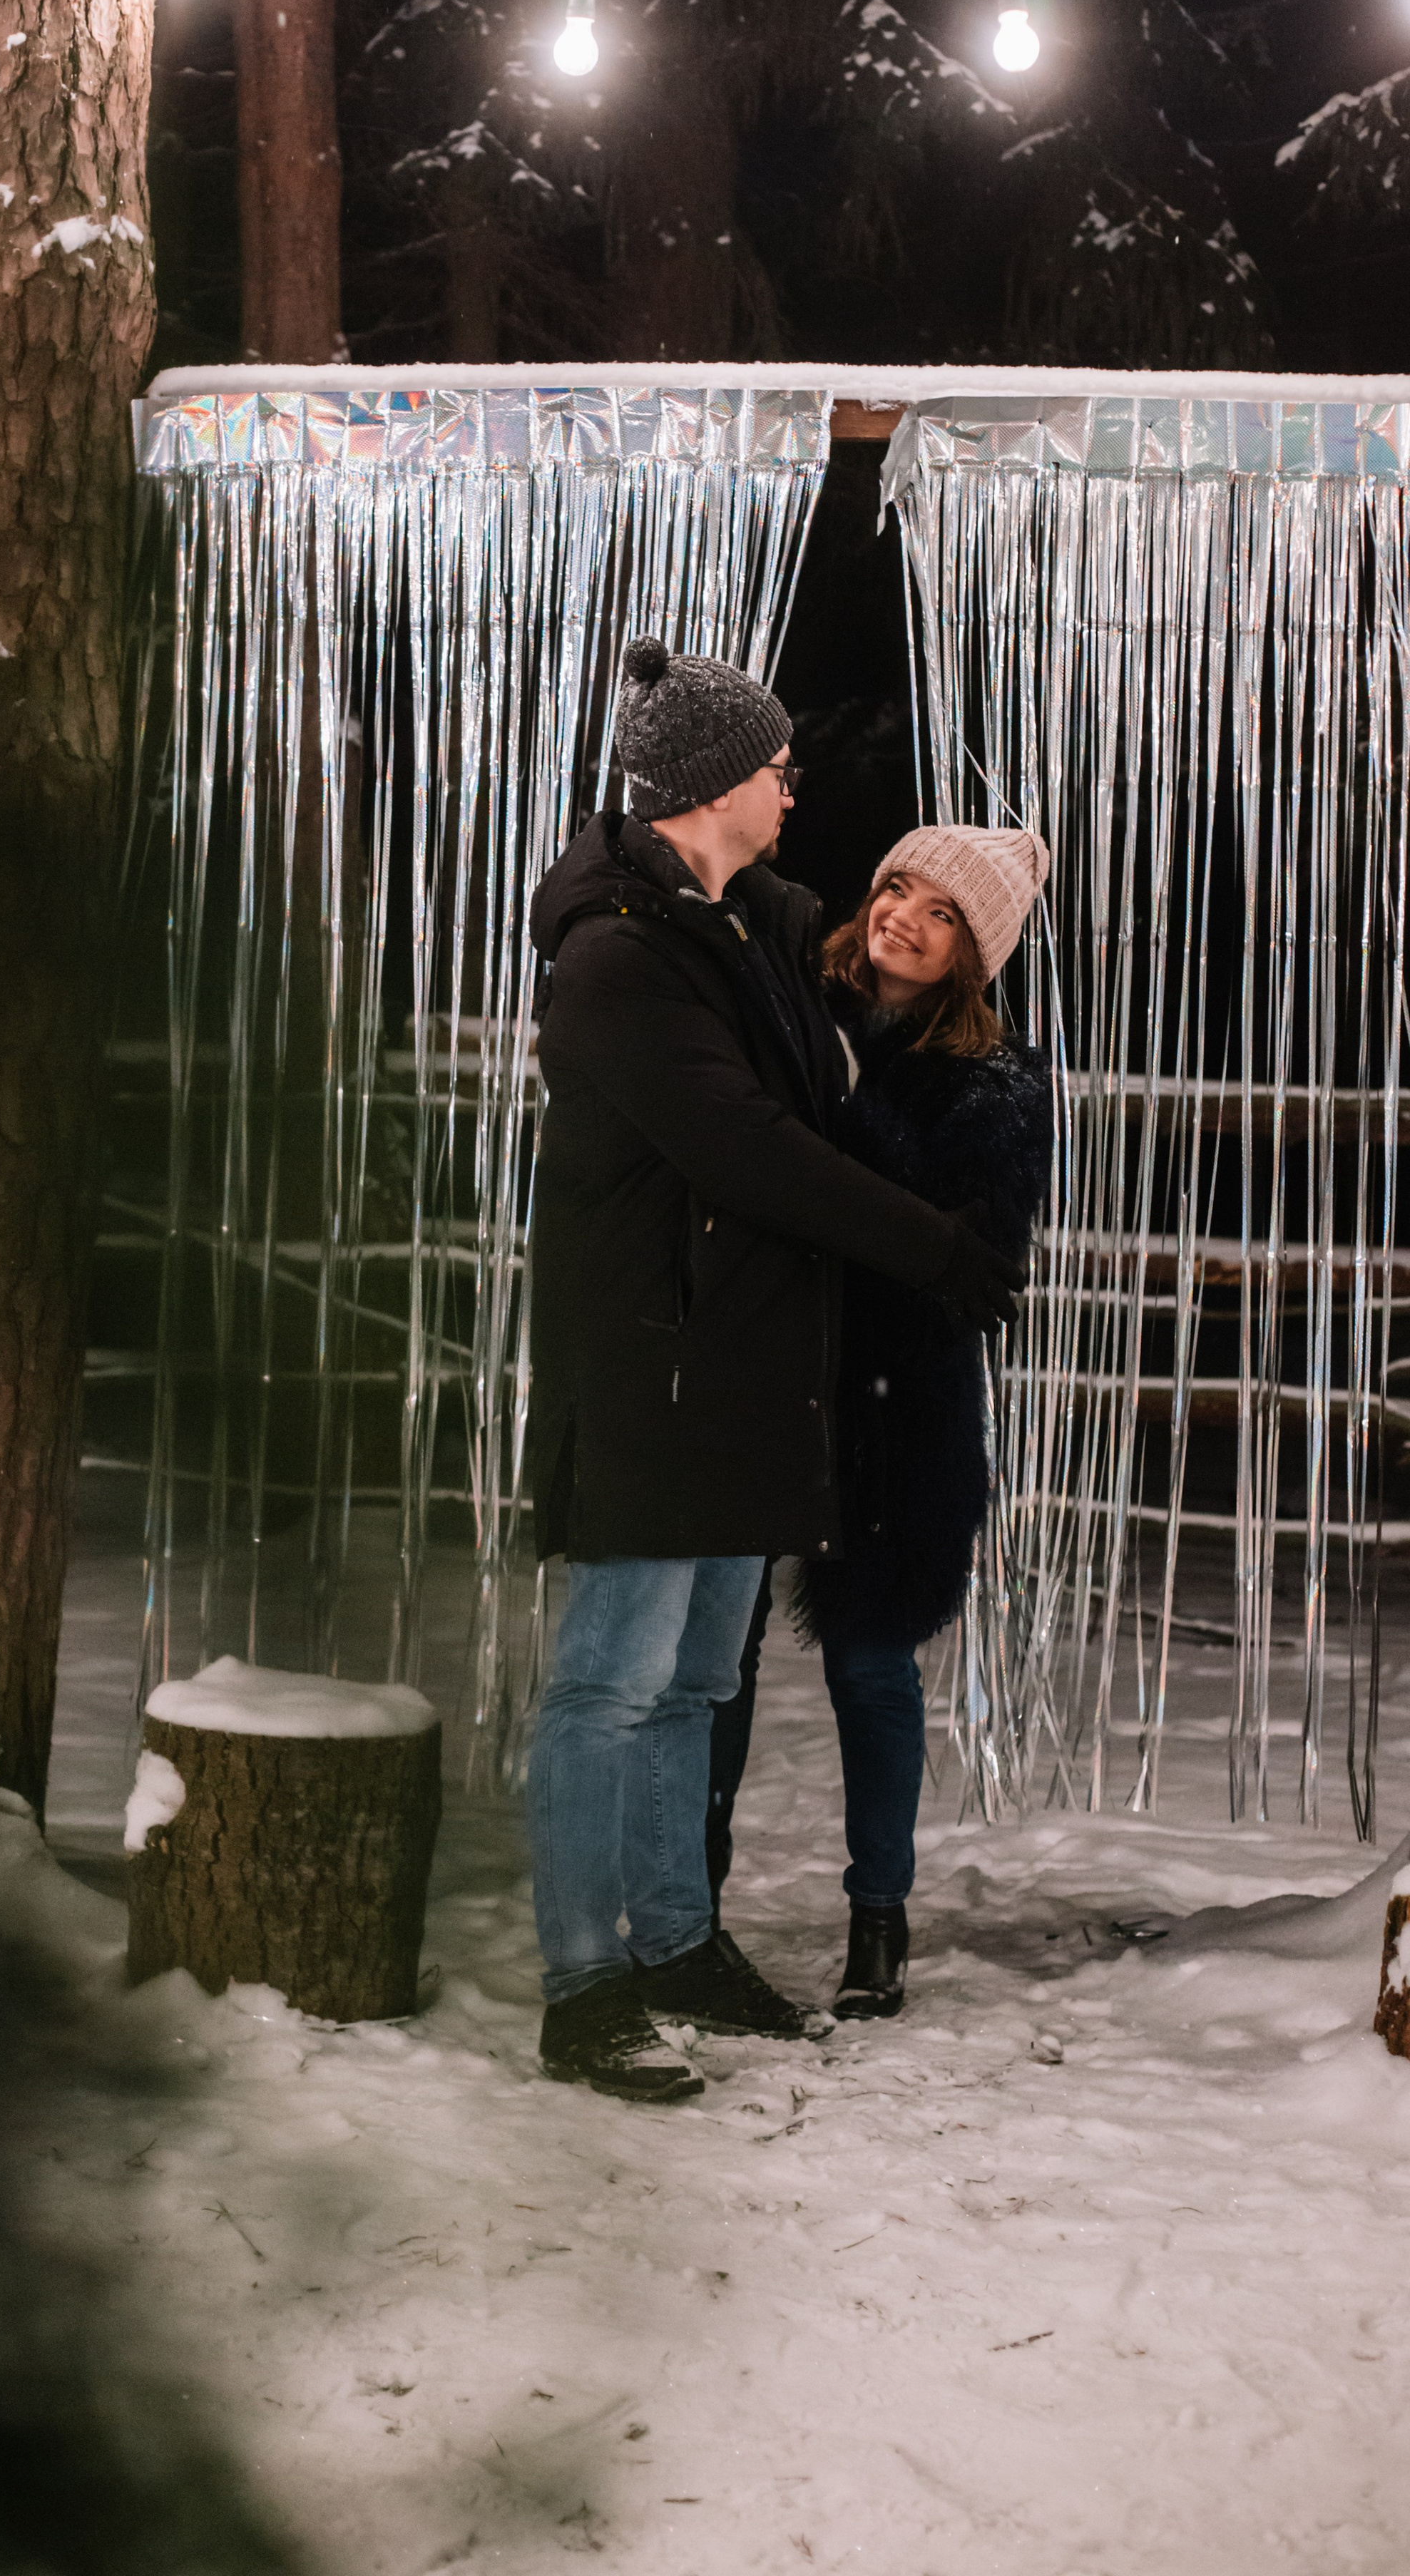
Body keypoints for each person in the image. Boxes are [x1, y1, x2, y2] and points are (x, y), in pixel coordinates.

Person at [524, 640, 1030, 2103]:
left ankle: (676, 1943)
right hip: (651, 1369)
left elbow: (884, 969)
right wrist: (930, 1247)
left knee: (687, 1685)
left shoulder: (737, 923)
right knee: (607, 1690)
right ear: (709, 789)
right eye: (775, 766)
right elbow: (744, 1147)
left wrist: (979, 889)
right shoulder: (620, 956)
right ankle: (582, 1984)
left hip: (747, 1372)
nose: (794, 786)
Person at [705, 826, 1055, 2023]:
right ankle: (688, 1901)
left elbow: (971, 1262)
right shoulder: (793, 1004)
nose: (905, 912)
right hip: (766, 1370)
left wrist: (856, 1102)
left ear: (973, 955)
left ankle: (879, 1920)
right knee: (717, 1654)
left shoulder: (998, 1085)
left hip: (902, 1400)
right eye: (899, 884)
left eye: (943, 910)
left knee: (870, 1662)